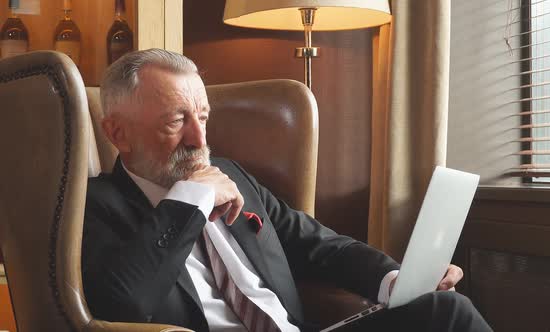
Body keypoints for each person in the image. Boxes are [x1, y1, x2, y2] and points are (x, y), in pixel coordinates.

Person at [82, 48, 492, 332]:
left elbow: (320, 246)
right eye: (176, 121)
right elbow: (122, 304)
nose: (198, 139)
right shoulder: (94, 206)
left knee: (446, 311)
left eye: (203, 117)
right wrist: (189, 201)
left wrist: (397, 281)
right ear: (118, 133)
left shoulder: (232, 176)